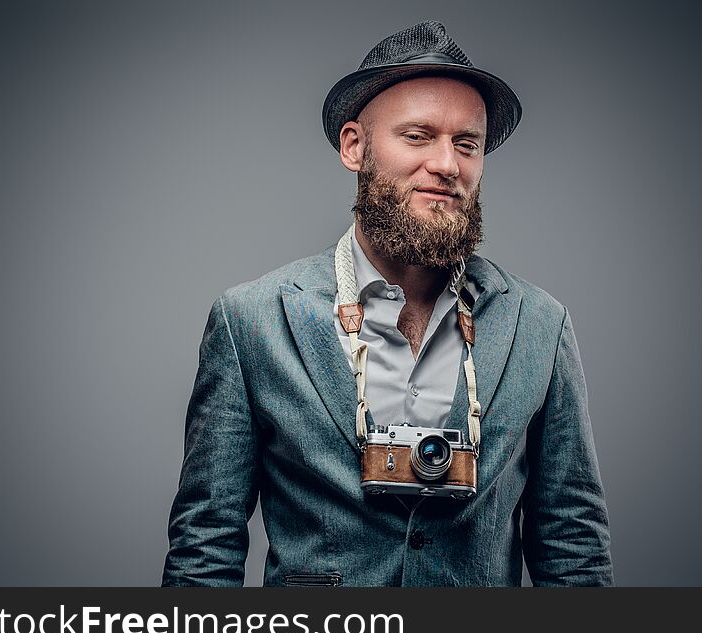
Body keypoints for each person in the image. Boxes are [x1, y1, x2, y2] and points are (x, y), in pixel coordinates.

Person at [163, 20, 612, 587]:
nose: (448, 165)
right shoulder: (250, 320)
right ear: (354, 146)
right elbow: (205, 543)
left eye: (466, 144)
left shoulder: (541, 326)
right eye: (419, 136)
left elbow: (572, 543)